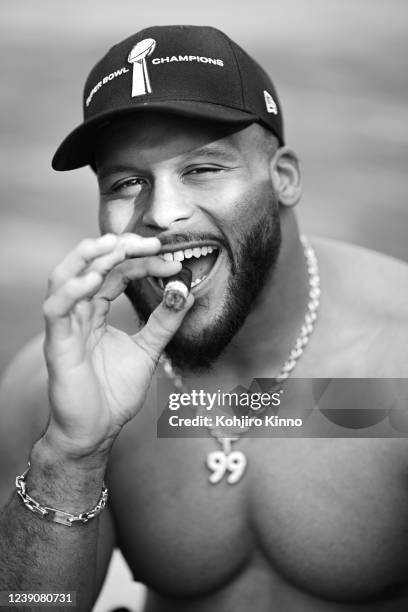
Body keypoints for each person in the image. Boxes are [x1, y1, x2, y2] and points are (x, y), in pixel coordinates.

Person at [0, 24, 407, 612]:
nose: (162, 213)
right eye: (127, 182)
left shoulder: (391, 357)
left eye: (203, 169)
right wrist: (71, 454)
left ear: (283, 178)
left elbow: (325, 410)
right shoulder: (54, 394)